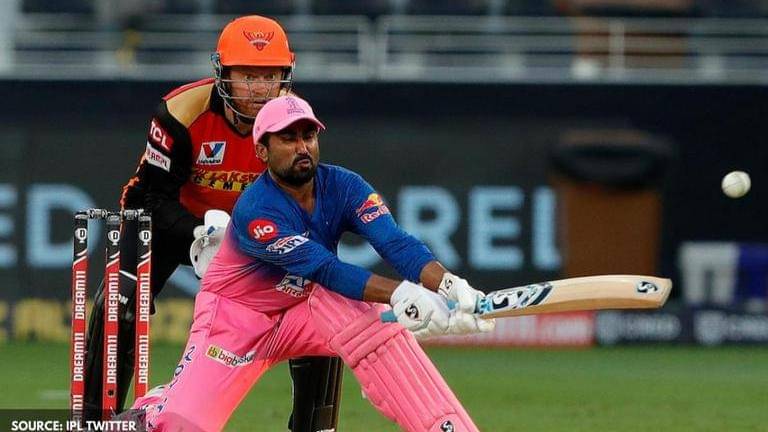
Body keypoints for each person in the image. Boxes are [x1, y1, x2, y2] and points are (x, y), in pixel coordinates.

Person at [128, 95, 496, 431]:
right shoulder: (256, 210)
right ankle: (158, 407)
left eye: (308, 136)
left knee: (378, 326)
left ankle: (448, 427)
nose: (302, 147)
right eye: (288, 138)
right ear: (262, 150)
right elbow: (323, 267)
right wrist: (402, 294)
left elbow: (394, 242)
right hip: (236, 320)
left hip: (304, 309)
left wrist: (448, 286)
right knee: (182, 425)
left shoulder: (345, 186)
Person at [82, 16, 345, 431]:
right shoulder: (180, 112)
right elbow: (153, 199)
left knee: (323, 307)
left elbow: (305, 205)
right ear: (223, 73)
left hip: (252, 235)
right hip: (168, 225)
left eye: (269, 76)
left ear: (285, 75)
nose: (259, 89)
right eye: (248, 76)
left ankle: (316, 427)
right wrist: (198, 234)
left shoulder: (294, 122)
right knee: (119, 300)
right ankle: (93, 421)